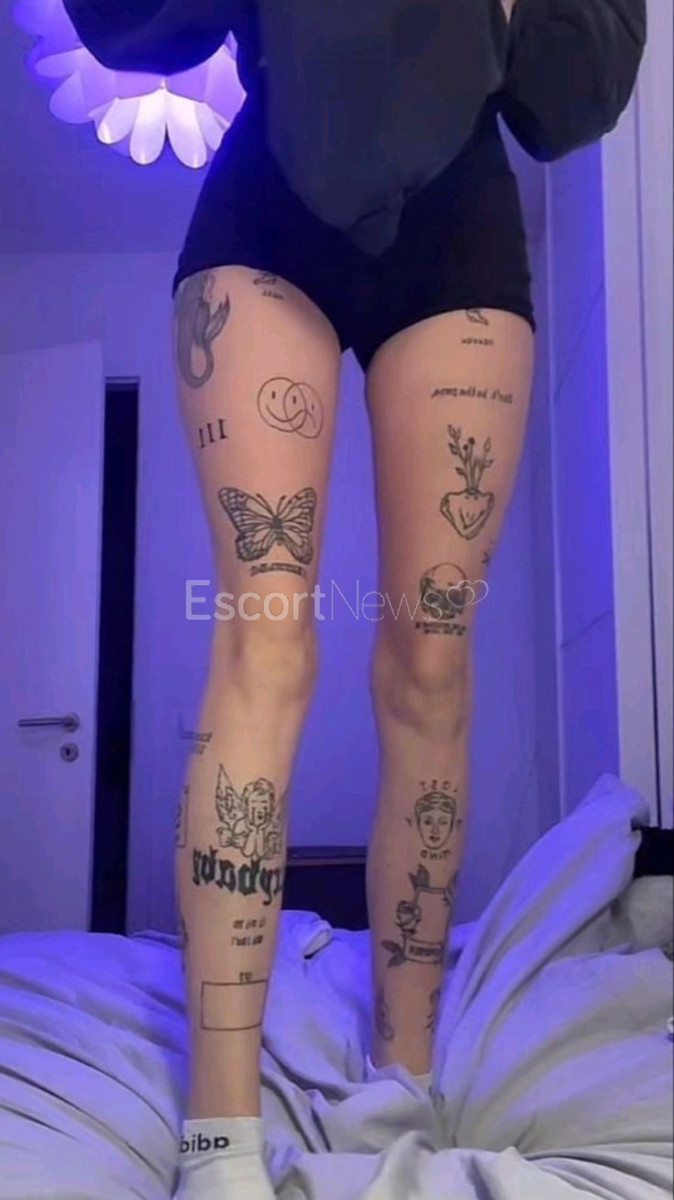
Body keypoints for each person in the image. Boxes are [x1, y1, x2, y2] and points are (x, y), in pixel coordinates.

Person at [170, 2, 535, 1197]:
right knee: (263, 644)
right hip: (268, 199)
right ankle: (217, 1133)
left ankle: (403, 1069)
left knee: (430, 663)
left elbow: (573, 94)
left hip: (458, 219)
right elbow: (131, 30)